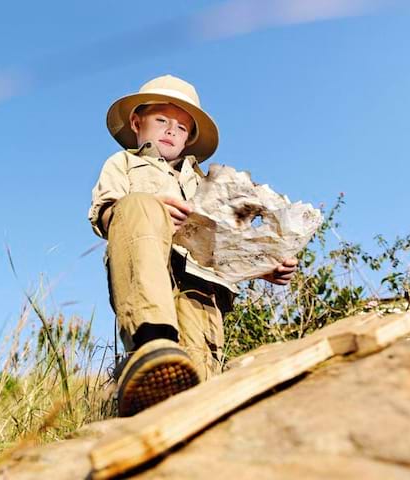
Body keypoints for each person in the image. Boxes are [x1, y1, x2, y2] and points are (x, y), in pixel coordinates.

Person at [88, 75, 297, 417]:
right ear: (136, 122)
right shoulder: (123, 163)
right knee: (138, 204)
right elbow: (108, 215)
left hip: (202, 288)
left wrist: (265, 265)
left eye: (181, 127)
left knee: (198, 378)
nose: (171, 131)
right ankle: (151, 342)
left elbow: (226, 244)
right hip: (148, 269)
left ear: (189, 138)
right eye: (161, 121)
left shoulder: (205, 182)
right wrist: (151, 206)